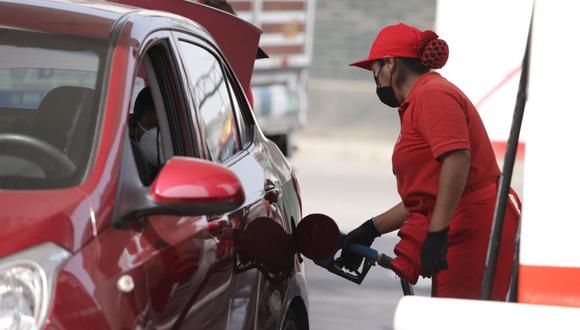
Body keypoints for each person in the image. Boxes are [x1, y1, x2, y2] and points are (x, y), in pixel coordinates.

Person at [339, 23, 521, 299]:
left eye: (374, 70)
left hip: (473, 224)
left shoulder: (432, 95)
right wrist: (371, 229)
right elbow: (426, 196)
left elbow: (457, 160)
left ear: (389, 64)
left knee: (458, 318)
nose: (375, 79)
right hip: (460, 221)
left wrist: (437, 232)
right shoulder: (419, 100)